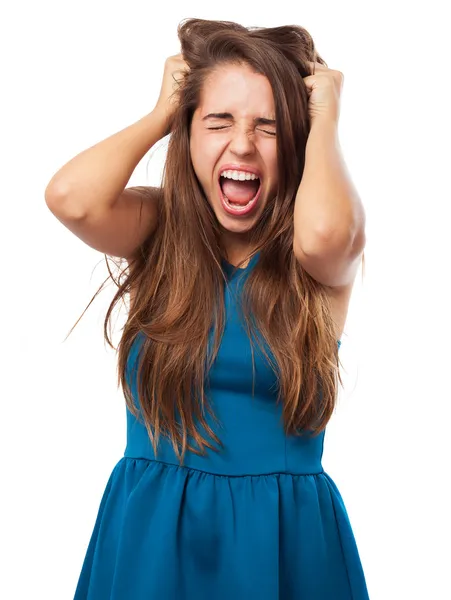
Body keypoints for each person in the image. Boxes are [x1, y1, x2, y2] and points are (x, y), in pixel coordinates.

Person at [45, 18, 369, 600]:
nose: (241, 144)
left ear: (294, 142)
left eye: (268, 127)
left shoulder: (313, 257)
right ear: (187, 133)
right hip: (149, 535)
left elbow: (323, 234)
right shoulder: (158, 228)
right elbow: (71, 198)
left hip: (284, 541)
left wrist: (327, 118)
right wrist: (159, 114)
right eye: (218, 122)